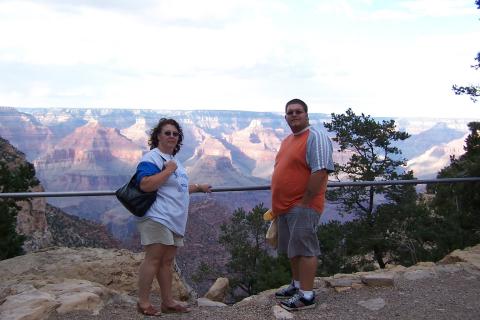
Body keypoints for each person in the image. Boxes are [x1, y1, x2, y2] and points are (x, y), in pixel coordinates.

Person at [135, 118, 211, 316]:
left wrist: (198, 187)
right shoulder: (151, 158)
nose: (171, 136)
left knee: (167, 262)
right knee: (153, 259)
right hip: (157, 217)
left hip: (175, 219)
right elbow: (145, 184)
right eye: (167, 133)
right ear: (158, 136)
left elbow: (179, 188)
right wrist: (168, 170)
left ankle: (167, 302)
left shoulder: (175, 161)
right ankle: (143, 302)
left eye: (175, 134)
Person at [271, 99, 334, 311]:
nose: (294, 115)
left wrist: (305, 201)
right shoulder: (288, 140)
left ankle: (307, 296)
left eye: (298, 111)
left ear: (307, 114)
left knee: (305, 249)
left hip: (303, 205)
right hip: (285, 206)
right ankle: (297, 286)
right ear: (285, 117)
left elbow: (320, 170)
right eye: (290, 112)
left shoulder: (316, 137)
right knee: (293, 249)